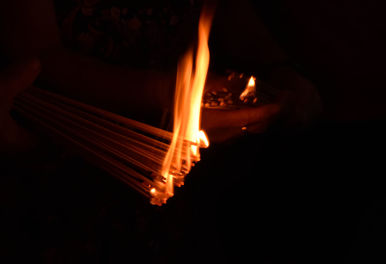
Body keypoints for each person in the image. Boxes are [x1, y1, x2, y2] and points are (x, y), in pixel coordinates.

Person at [0, 0, 320, 153]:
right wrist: (171, 95)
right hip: (65, 152)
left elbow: (221, 10)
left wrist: (278, 67)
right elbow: (39, 57)